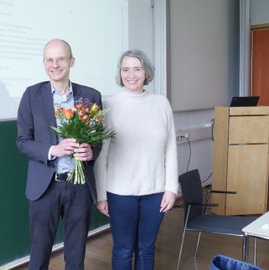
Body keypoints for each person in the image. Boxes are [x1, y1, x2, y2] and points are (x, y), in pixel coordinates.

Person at [16, 39, 103, 270]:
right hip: (44, 188)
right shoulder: (31, 95)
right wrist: (52, 150)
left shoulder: (91, 96)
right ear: (44, 63)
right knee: (39, 254)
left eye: (61, 58)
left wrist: (89, 151)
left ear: (72, 61)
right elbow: (22, 142)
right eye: (49, 60)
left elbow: (98, 141)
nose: (55, 64)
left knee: (76, 255)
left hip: (79, 187)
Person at [94, 49, 178, 270]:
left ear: (146, 72)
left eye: (137, 69)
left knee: (146, 248)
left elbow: (170, 148)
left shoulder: (162, 104)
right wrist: (101, 194)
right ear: (119, 73)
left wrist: (171, 188)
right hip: (119, 193)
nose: (131, 74)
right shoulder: (108, 105)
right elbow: (101, 155)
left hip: (155, 191)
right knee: (123, 249)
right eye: (125, 69)